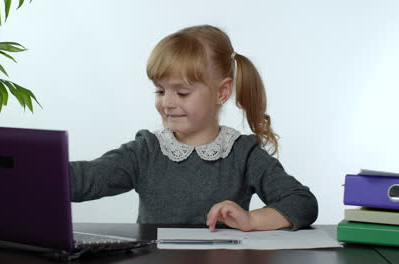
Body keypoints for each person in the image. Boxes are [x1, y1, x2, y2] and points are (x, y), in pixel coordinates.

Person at [70, 25, 318, 232]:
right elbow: (86, 179)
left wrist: (251, 219)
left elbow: (302, 202)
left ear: (222, 92)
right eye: (160, 90)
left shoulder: (243, 154)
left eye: (182, 92)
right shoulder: (145, 151)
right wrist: (37, 168)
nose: (167, 102)